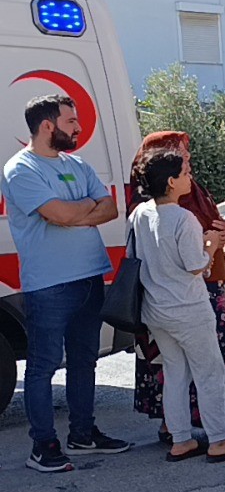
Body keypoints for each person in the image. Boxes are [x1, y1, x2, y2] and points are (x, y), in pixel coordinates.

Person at [0, 94, 131, 472]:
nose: (77, 128)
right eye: (71, 121)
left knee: (84, 362)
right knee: (42, 366)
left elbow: (110, 207)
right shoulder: (21, 169)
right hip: (49, 285)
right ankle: (43, 447)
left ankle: (83, 434)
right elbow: (57, 215)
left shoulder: (76, 163)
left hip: (89, 277)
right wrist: (81, 212)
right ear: (47, 126)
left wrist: (77, 214)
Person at [130, 150, 225, 463]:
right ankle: (218, 440)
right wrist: (211, 243)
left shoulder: (141, 214)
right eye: (184, 173)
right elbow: (195, 265)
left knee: (174, 373)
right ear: (171, 182)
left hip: (155, 310)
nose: (189, 177)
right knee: (209, 373)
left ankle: (181, 439)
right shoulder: (184, 219)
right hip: (188, 308)